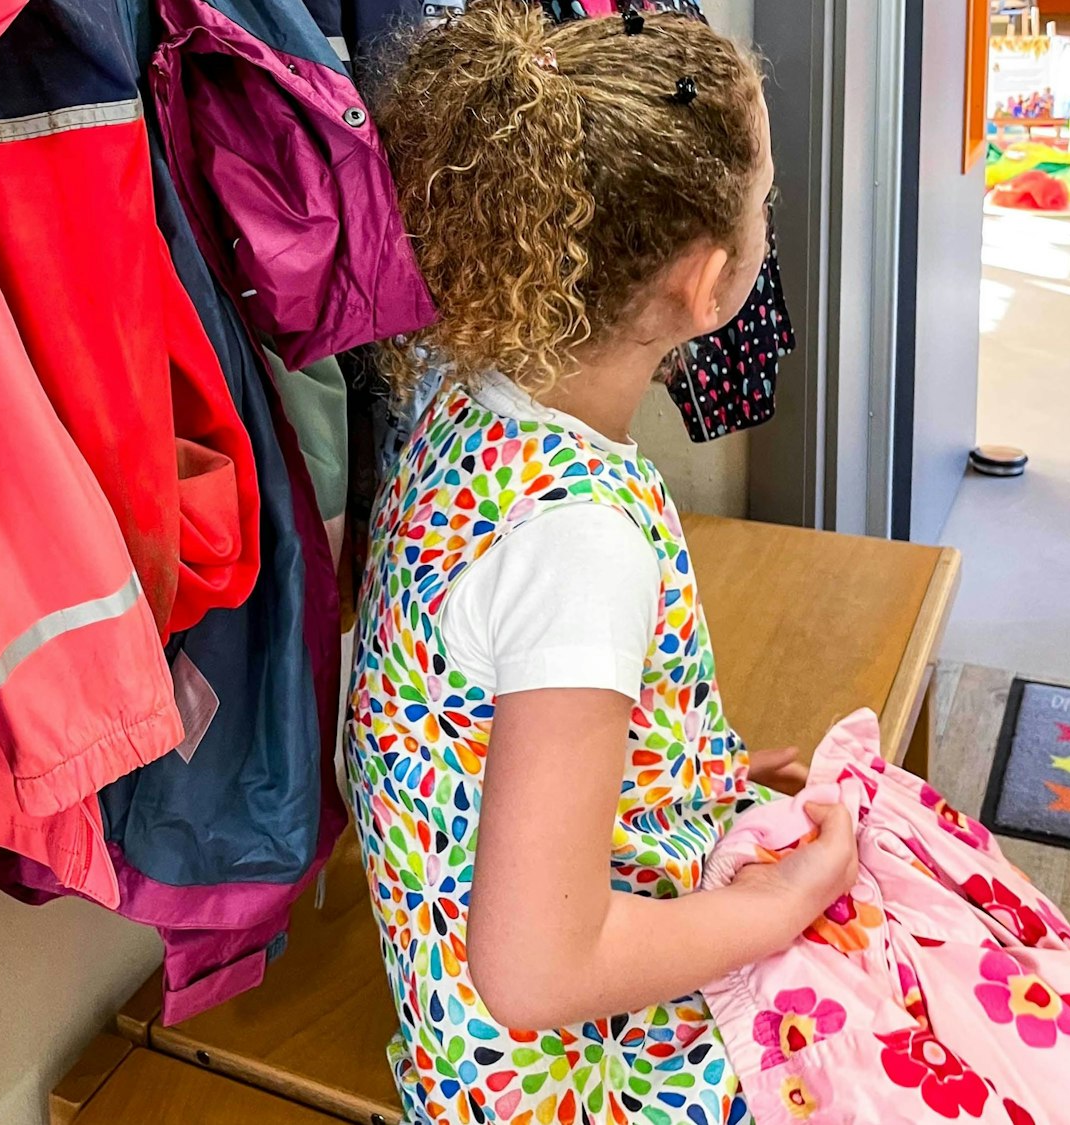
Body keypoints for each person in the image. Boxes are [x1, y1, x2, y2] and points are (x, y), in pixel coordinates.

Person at [346, 6, 860, 1123]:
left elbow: (496, 718)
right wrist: (786, 903)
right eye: (763, 203)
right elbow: (535, 975)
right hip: (578, 1081)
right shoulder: (577, 544)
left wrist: (679, 776)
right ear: (701, 281)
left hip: (533, 946)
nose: (769, 221)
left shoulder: (463, 400)